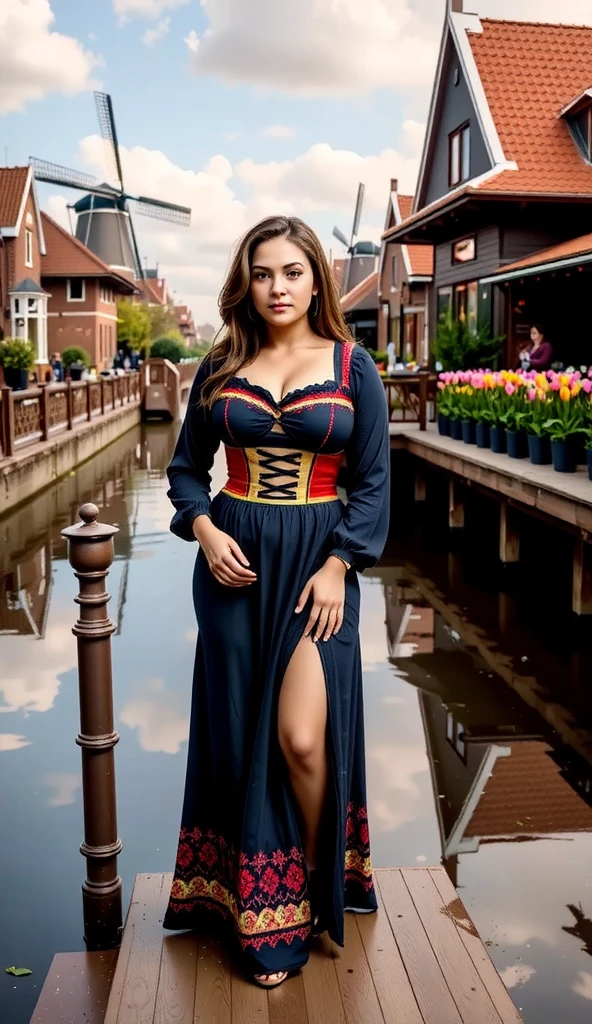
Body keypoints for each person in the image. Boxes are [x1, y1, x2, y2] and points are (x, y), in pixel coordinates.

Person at [163, 216, 391, 988]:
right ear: (246, 281)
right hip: (235, 565)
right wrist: (200, 527)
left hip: (319, 569)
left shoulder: (354, 368)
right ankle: (269, 907)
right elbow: (187, 469)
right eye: (263, 274)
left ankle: (321, 879)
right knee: (237, 738)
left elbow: (372, 484)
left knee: (299, 738)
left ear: (316, 278)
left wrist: (340, 565)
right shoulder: (222, 363)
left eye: (292, 272)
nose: (278, 287)